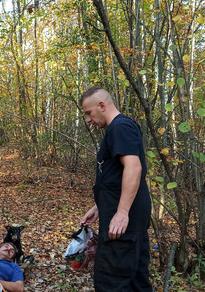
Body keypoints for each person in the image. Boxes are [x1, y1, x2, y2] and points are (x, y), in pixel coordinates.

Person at [79, 86, 152, 291]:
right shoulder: (116, 129)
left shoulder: (120, 127)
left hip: (122, 224)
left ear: (102, 105)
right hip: (122, 218)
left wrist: (121, 213)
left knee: (111, 280)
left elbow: (133, 167)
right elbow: (115, 177)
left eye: (89, 113)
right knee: (136, 278)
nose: (88, 119)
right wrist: (98, 206)